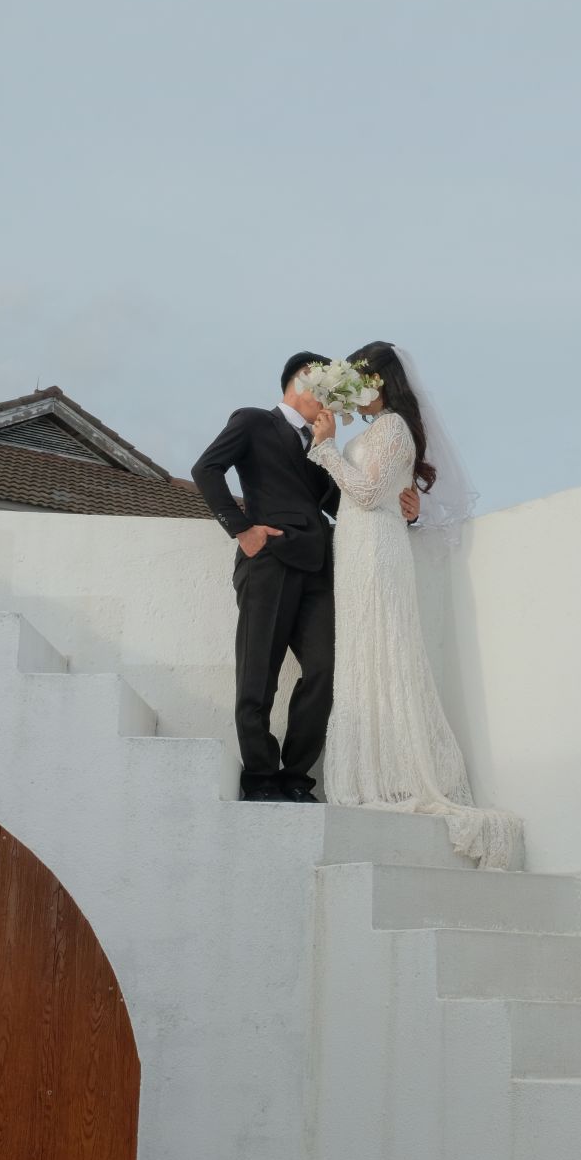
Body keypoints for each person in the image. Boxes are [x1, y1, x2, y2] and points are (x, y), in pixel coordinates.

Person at [306, 341, 519, 867]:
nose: (356, 392)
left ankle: (402, 774)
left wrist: (326, 448)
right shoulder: (373, 431)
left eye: (361, 381)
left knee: (387, 649)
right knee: (363, 652)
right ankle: (374, 769)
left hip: (377, 547)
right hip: (356, 547)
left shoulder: (395, 428)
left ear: (382, 381)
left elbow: (366, 494)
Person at [191, 352, 421, 802]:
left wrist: (405, 510)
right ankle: (260, 777)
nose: (335, 400)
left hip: (319, 569)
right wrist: (241, 529)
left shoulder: (321, 442)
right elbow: (206, 469)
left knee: (325, 670)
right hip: (269, 560)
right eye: (327, 388)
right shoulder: (254, 421)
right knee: (258, 671)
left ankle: (296, 776)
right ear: (301, 380)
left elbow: (345, 502)